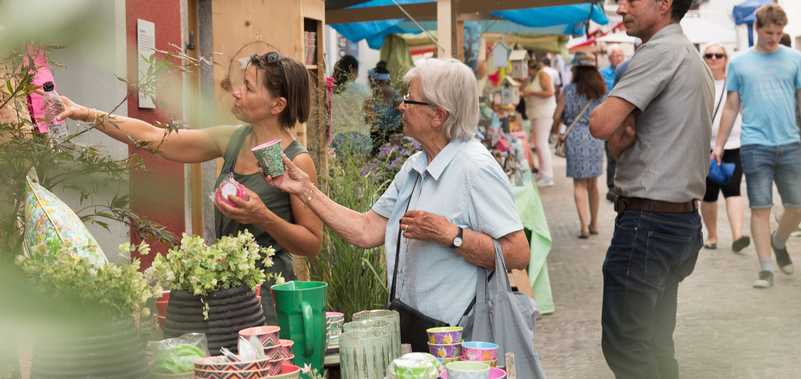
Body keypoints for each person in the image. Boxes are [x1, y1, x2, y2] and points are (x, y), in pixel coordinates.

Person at [54, 51, 323, 324]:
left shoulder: (297, 161)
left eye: (248, 87)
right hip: (226, 292)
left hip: (269, 300)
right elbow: (152, 136)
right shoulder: (232, 139)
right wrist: (85, 114)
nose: (236, 93)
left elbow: (312, 243)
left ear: (277, 105)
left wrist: (263, 216)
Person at [263, 57, 530, 330]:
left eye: (409, 99)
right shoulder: (415, 165)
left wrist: (451, 235)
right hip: (417, 327)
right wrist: (304, 189)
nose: (401, 105)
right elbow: (366, 229)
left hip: (459, 338)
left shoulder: (475, 168)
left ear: (438, 115)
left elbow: (518, 253)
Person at [589, 0, 713, 379]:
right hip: (679, 225)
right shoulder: (692, 56)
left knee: (627, 345)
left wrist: (617, 140)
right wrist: (624, 150)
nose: (620, 7)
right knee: (655, 343)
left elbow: (600, 124)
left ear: (664, 2)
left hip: (648, 224)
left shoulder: (659, 51)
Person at [713, 3, 801, 288]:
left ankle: (779, 240)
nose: (774, 37)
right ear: (757, 29)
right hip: (754, 145)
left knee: (797, 207)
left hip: (790, 142)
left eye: (778, 33)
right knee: (760, 208)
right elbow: (730, 106)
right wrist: (719, 145)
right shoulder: (739, 63)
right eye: (769, 32)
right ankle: (766, 269)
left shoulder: (795, 58)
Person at [552, 52, 606, 239]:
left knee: (579, 184)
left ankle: (583, 226)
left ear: (577, 69)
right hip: (595, 136)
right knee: (593, 184)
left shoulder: (568, 89)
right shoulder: (601, 90)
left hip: (575, 137)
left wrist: (557, 127)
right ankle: (595, 223)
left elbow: (556, 116)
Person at [701, 42, 748, 252]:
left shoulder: (734, 82)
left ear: (725, 59)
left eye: (718, 55)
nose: (713, 58)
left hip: (733, 144)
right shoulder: (698, 83)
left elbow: (744, 112)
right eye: (709, 55)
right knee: (708, 194)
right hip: (704, 147)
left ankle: (738, 236)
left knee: (733, 190)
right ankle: (712, 236)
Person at [521, 57, 556, 187]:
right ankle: (542, 173)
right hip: (536, 114)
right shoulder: (532, 78)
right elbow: (522, 88)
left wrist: (531, 92)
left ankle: (547, 175)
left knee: (541, 143)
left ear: (530, 68)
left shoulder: (542, 74)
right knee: (540, 143)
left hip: (544, 114)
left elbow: (549, 92)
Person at [331, 55, 373, 158]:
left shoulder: (331, 90)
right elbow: (371, 118)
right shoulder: (362, 90)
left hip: (337, 140)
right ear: (354, 70)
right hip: (360, 139)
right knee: (361, 173)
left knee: (341, 174)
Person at [600, 45, 626, 202]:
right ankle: (611, 187)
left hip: (627, 116)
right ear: (609, 58)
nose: (619, 58)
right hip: (610, 115)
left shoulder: (628, 69)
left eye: (620, 55)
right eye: (615, 55)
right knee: (611, 153)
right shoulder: (602, 73)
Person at [369, 66, 403, 153]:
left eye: (373, 85)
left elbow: (406, 118)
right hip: (376, 137)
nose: (372, 88)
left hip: (392, 137)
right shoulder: (374, 97)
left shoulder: (396, 98)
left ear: (383, 83)